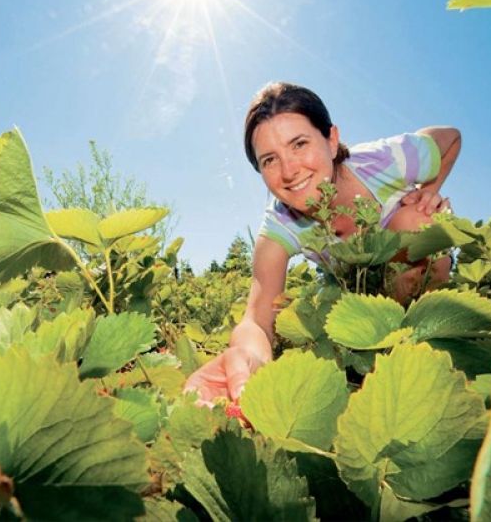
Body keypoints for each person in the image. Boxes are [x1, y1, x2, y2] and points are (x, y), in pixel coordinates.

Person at [184, 82, 461, 405]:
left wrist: (429, 190)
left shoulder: (383, 161)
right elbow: (257, 318)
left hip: (407, 271)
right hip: (355, 297)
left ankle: (427, 347)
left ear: (331, 140)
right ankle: (369, 363)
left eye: (299, 144)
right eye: (270, 160)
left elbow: (450, 138)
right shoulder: (279, 225)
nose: (289, 170)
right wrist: (248, 359)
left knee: (416, 221)